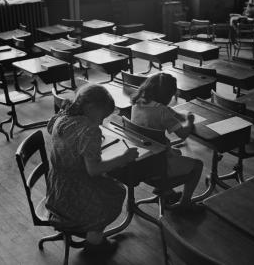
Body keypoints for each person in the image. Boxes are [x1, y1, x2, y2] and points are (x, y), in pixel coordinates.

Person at [46, 84, 139, 254]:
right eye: (102, 116)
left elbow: (53, 130)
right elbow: (93, 170)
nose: (102, 121)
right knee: (116, 191)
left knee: (109, 186)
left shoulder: (63, 115)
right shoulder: (89, 129)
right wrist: (123, 158)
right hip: (77, 192)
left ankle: (90, 233)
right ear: (90, 107)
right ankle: (94, 243)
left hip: (57, 187)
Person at [131, 73, 204, 212]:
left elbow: (161, 111)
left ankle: (165, 191)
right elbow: (183, 134)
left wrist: (175, 115)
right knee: (198, 166)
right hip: (158, 165)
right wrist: (190, 121)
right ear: (166, 96)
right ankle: (185, 202)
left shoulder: (137, 103)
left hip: (142, 161)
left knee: (176, 152)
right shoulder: (162, 112)